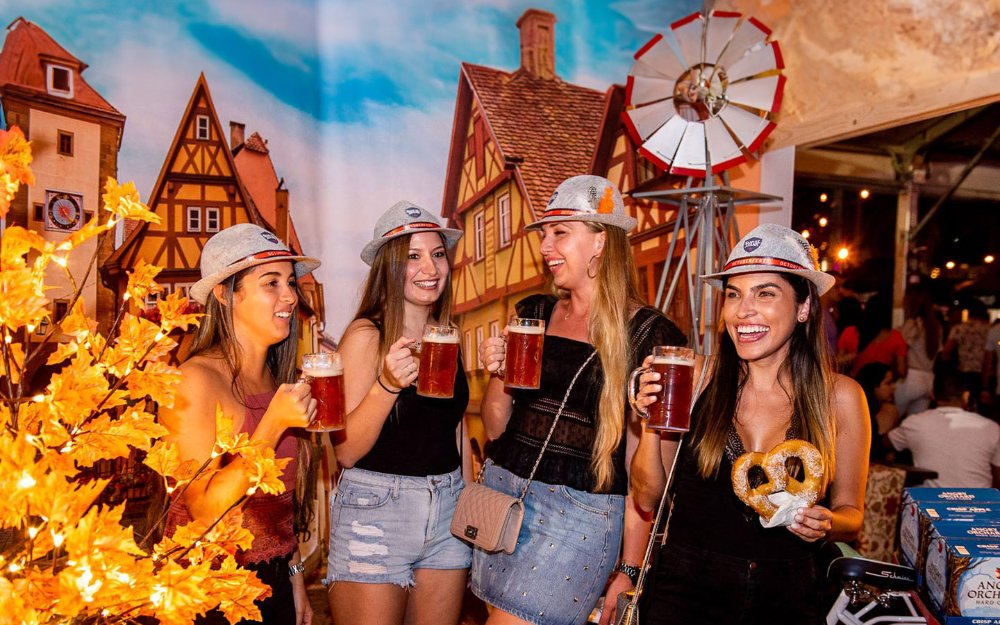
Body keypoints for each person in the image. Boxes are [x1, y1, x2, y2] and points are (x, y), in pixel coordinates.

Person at [630, 223, 870, 625]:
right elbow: (647, 497)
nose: (744, 311)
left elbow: (851, 513)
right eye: (734, 294)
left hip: (789, 595)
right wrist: (651, 423)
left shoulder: (840, 397)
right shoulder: (693, 378)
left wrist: (828, 524)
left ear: (804, 306)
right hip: (685, 592)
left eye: (766, 293)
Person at [475, 175, 685, 625]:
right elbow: (495, 427)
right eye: (544, 233)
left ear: (600, 242)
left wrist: (629, 567)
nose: (545, 245)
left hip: (578, 517)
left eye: (560, 232)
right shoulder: (534, 313)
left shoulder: (651, 336)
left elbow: (646, 481)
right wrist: (499, 373)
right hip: (503, 496)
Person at [160, 223, 320, 625]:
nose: (289, 296)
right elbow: (203, 514)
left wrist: (296, 578)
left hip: (275, 584)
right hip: (208, 589)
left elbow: (277, 512)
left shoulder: (277, 380)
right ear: (224, 293)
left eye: (290, 282)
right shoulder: (193, 380)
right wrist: (271, 427)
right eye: (271, 283)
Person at [325, 201, 471, 625]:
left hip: (447, 509)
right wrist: (388, 384)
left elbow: (450, 431)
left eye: (438, 253)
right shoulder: (366, 336)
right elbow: (345, 451)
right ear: (389, 266)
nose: (430, 266)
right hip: (377, 509)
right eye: (413, 256)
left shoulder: (445, 337)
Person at [888, 370, 1000, 488]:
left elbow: (885, 443)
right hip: (980, 504)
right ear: (966, 396)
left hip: (930, 504)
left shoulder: (914, 423)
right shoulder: (992, 428)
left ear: (932, 394)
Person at [894, 286, 941, 417]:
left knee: (891, 420)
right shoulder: (935, 326)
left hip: (910, 379)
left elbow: (900, 348)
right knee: (915, 426)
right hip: (928, 379)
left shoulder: (914, 324)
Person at [837, 292, 907, 379]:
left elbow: (838, 362)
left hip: (857, 384)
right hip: (882, 386)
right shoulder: (896, 337)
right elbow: (902, 371)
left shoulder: (850, 332)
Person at [941, 299, 990, 411]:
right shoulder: (990, 329)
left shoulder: (959, 328)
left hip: (964, 369)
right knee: (983, 405)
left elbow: (947, 350)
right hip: (985, 371)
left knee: (964, 401)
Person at [854, 362, 899, 462]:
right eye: (888, 383)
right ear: (874, 385)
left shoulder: (883, 407)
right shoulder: (860, 411)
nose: (893, 387)